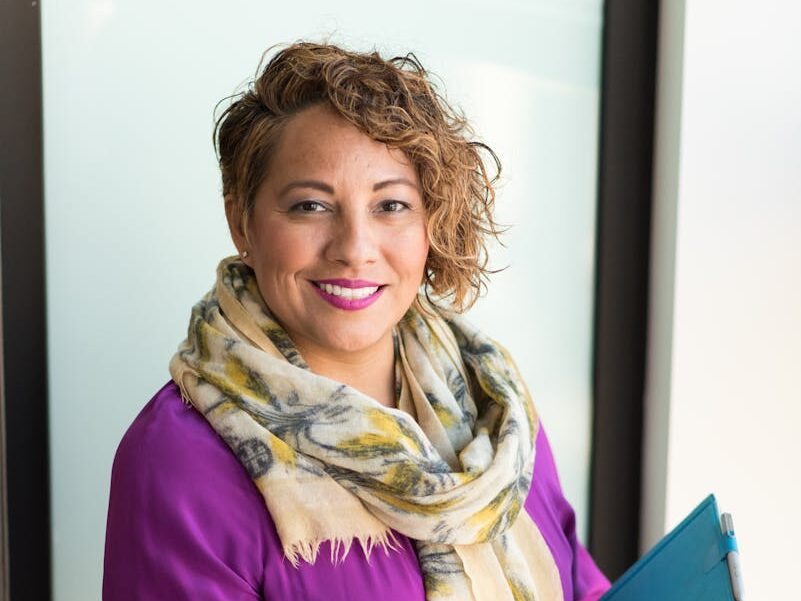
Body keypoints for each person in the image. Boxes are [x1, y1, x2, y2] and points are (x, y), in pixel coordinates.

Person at [102, 42, 611, 601]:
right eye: (310, 206)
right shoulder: (179, 463)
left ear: (429, 223)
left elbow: (580, 586)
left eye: (390, 205)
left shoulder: (495, 403)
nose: (354, 249)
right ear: (241, 222)